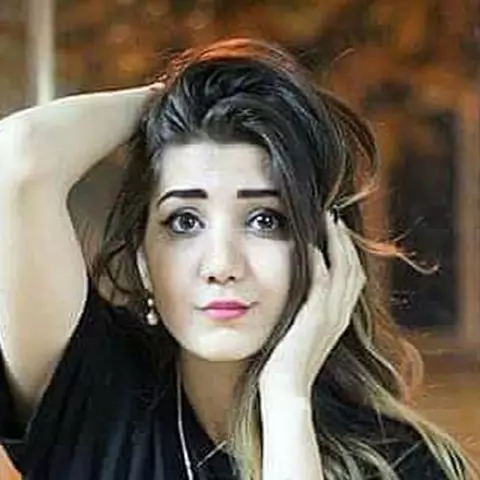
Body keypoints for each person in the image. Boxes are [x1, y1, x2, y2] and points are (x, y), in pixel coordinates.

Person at [0, 38, 476, 480]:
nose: (221, 265)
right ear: (144, 260)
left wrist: (287, 400)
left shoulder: (406, 464)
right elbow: (18, 156)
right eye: (185, 221)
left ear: (328, 249)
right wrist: (165, 101)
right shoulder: (96, 395)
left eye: (265, 220)